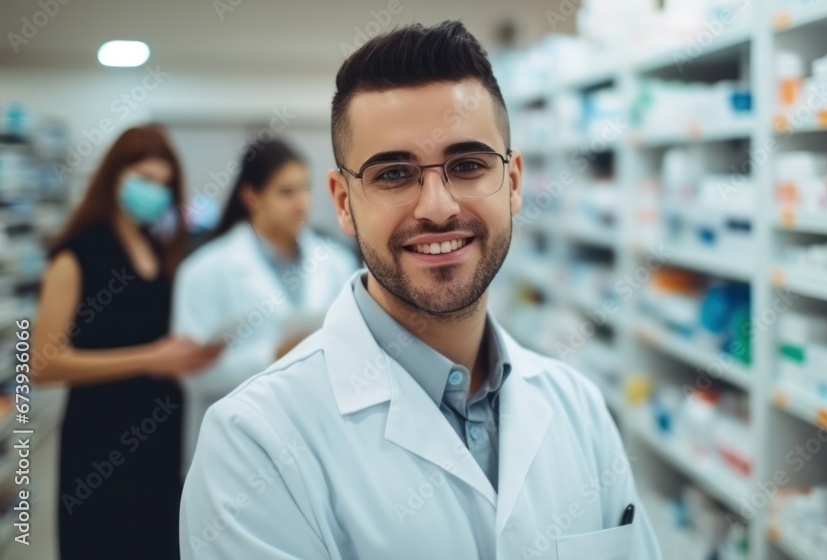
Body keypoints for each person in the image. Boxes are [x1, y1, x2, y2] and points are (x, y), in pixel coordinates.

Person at [180, 22, 661, 560]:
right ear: (343, 202)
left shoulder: (579, 408)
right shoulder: (252, 444)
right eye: (393, 174)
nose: (437, 207)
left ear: (515, 182)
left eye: (468, 165)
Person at [32, 124, 223, 560]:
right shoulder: (77, 252)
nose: (154, 192)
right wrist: (149, 358)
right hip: (99, 442)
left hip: (158, 439)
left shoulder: (158, 248)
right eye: (144, 180)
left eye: (163, 184)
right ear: (114, 176)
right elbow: (43, 365)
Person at [171, 138, 357, 473]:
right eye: (287, 192)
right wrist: (274, 354)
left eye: (306, 189)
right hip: (237, 454)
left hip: (318, 445)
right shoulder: (204, 270)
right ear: (251, 196)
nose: (302, 204)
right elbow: (192, 375)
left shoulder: (336, 263)